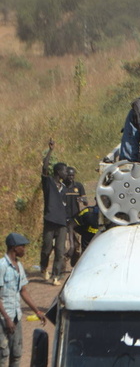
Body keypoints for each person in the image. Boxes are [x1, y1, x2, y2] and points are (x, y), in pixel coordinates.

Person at [0, 233, 46, 367]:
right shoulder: (2, 266)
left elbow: (23, 291)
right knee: (3, 355)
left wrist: (37, 311)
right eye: (22, 247)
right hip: (3, 318)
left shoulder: (19, 266)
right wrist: (7, 318)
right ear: (14, 248)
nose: (24, 250)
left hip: (16, 316)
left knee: (17, 353)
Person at [40, 140, 68, 285]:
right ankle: (43, 267)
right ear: (58, 172)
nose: (66, 172)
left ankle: (56, 276)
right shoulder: (48, 183)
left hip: (61, 222)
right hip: (50, 220)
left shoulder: (64, 188)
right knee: (46, 248)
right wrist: (50, 151)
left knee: (60, 251)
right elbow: (44, 168)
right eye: (64, 170)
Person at [64, 167, 87, 266]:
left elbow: (85, 201)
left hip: (75, 219)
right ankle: (62, 266)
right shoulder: (62, 187)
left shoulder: (78, 186)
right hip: (64, 218)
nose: (71, 178)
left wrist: (82, 200)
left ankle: (74, 265)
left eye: (72, 175)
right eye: (69, 175)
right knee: (64, 245)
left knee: (76, 244)